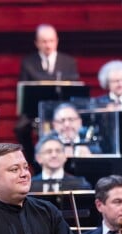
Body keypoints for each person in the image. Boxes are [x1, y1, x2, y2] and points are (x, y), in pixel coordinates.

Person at [16, 24, 79, 165]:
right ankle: (35, 163)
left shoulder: (69, 62)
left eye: (51, 41)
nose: (48, 45)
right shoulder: (28, 62)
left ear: (56, 41)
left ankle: (68, 163)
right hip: (35, 111)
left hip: (61, 110)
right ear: (37, 43)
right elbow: (24, 90)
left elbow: (74, 90)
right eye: (44, 41)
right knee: (21, 128)